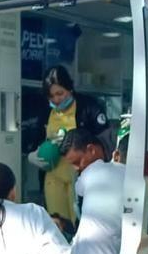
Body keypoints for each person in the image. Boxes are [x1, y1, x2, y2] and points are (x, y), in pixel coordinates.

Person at [26, 65, 113, 224]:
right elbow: (35, 140)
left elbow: (105, 142)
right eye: (51, 96)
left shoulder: (89, 108)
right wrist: (33, 156)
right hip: (53, 177)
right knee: (57, 223)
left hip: (81, 176)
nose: (56, 99)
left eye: (60, 93)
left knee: (82, 221)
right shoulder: (46, 112)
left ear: (70, 88)